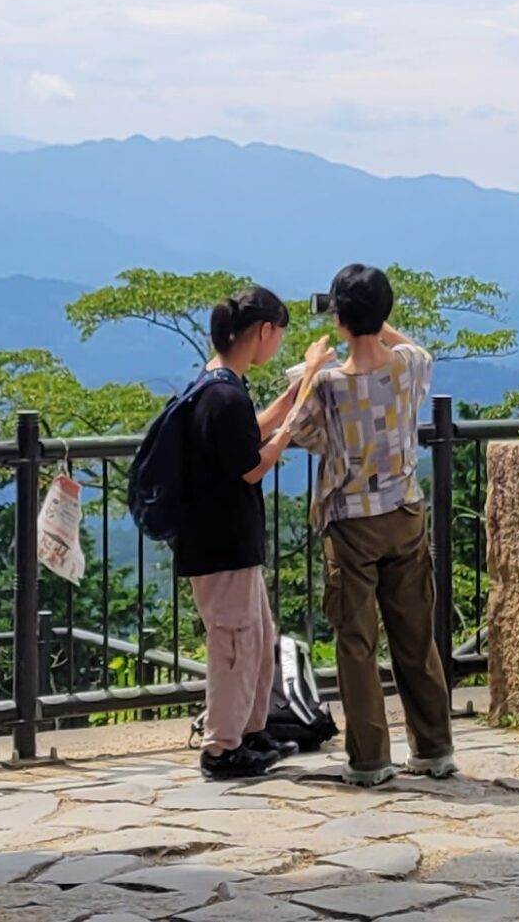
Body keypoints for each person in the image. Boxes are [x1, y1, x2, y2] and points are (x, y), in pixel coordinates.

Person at [284, 264, 458, 787]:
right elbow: (414, 348)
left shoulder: (330, 385)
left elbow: (299, 431)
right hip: (405, 513)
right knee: (414, 635)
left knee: (357, 643)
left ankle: (369, 759)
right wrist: (376, 324)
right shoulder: (409, 368)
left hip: (351, 523)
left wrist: (313, 366)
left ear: (338, 318)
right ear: (384, 314)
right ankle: (434, 747)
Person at [177, 286, 332, 779]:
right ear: (263, 331)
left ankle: (251, 732)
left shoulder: (218, 383)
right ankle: (221, 749)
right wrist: (293, 424)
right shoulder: (223, 395)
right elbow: (250, 466)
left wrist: (291, 397)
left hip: (224, 541)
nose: (277, 346)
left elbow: (246, 436)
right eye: (277, 336)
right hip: (220, 544)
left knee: (258, 637)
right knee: (235, 643)